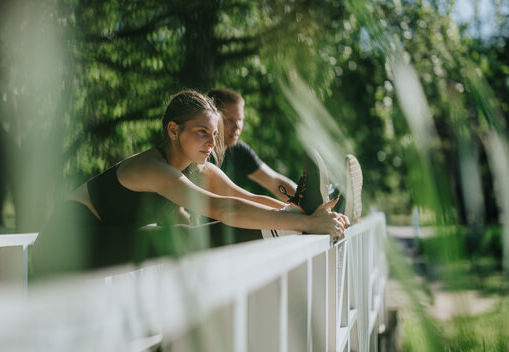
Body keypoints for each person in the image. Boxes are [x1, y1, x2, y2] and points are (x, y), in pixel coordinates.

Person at [31, 90, 348, 276]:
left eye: (214, 135)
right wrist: (305, 221)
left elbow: (244, 197)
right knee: (174, 240)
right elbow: (222, 208)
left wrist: (297, 210)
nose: (211, 143)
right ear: (172, 130)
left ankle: (300, 212)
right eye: (201, 132)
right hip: (63, 246)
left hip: (104, 238)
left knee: (169, 237)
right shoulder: (153, 168)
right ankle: (293, 221)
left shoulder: (199, 168)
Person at [206, 88, 297, 200]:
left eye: (240, 120)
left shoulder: (238, 149)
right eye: (229, 120)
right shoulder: (199, 152)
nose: (237, 127)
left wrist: (307, 203)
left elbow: (275, 182)